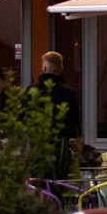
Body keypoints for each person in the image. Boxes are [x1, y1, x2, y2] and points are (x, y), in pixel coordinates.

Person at [29, 51, 82, 179]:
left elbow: (23, 118)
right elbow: (74, 121)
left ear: (44, 68)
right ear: (61, 68)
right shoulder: (68, 93)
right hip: (60, 149)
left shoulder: (32, 92)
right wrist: (78, 141)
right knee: (57, 185)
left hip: (37, 147)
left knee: (38, 186)